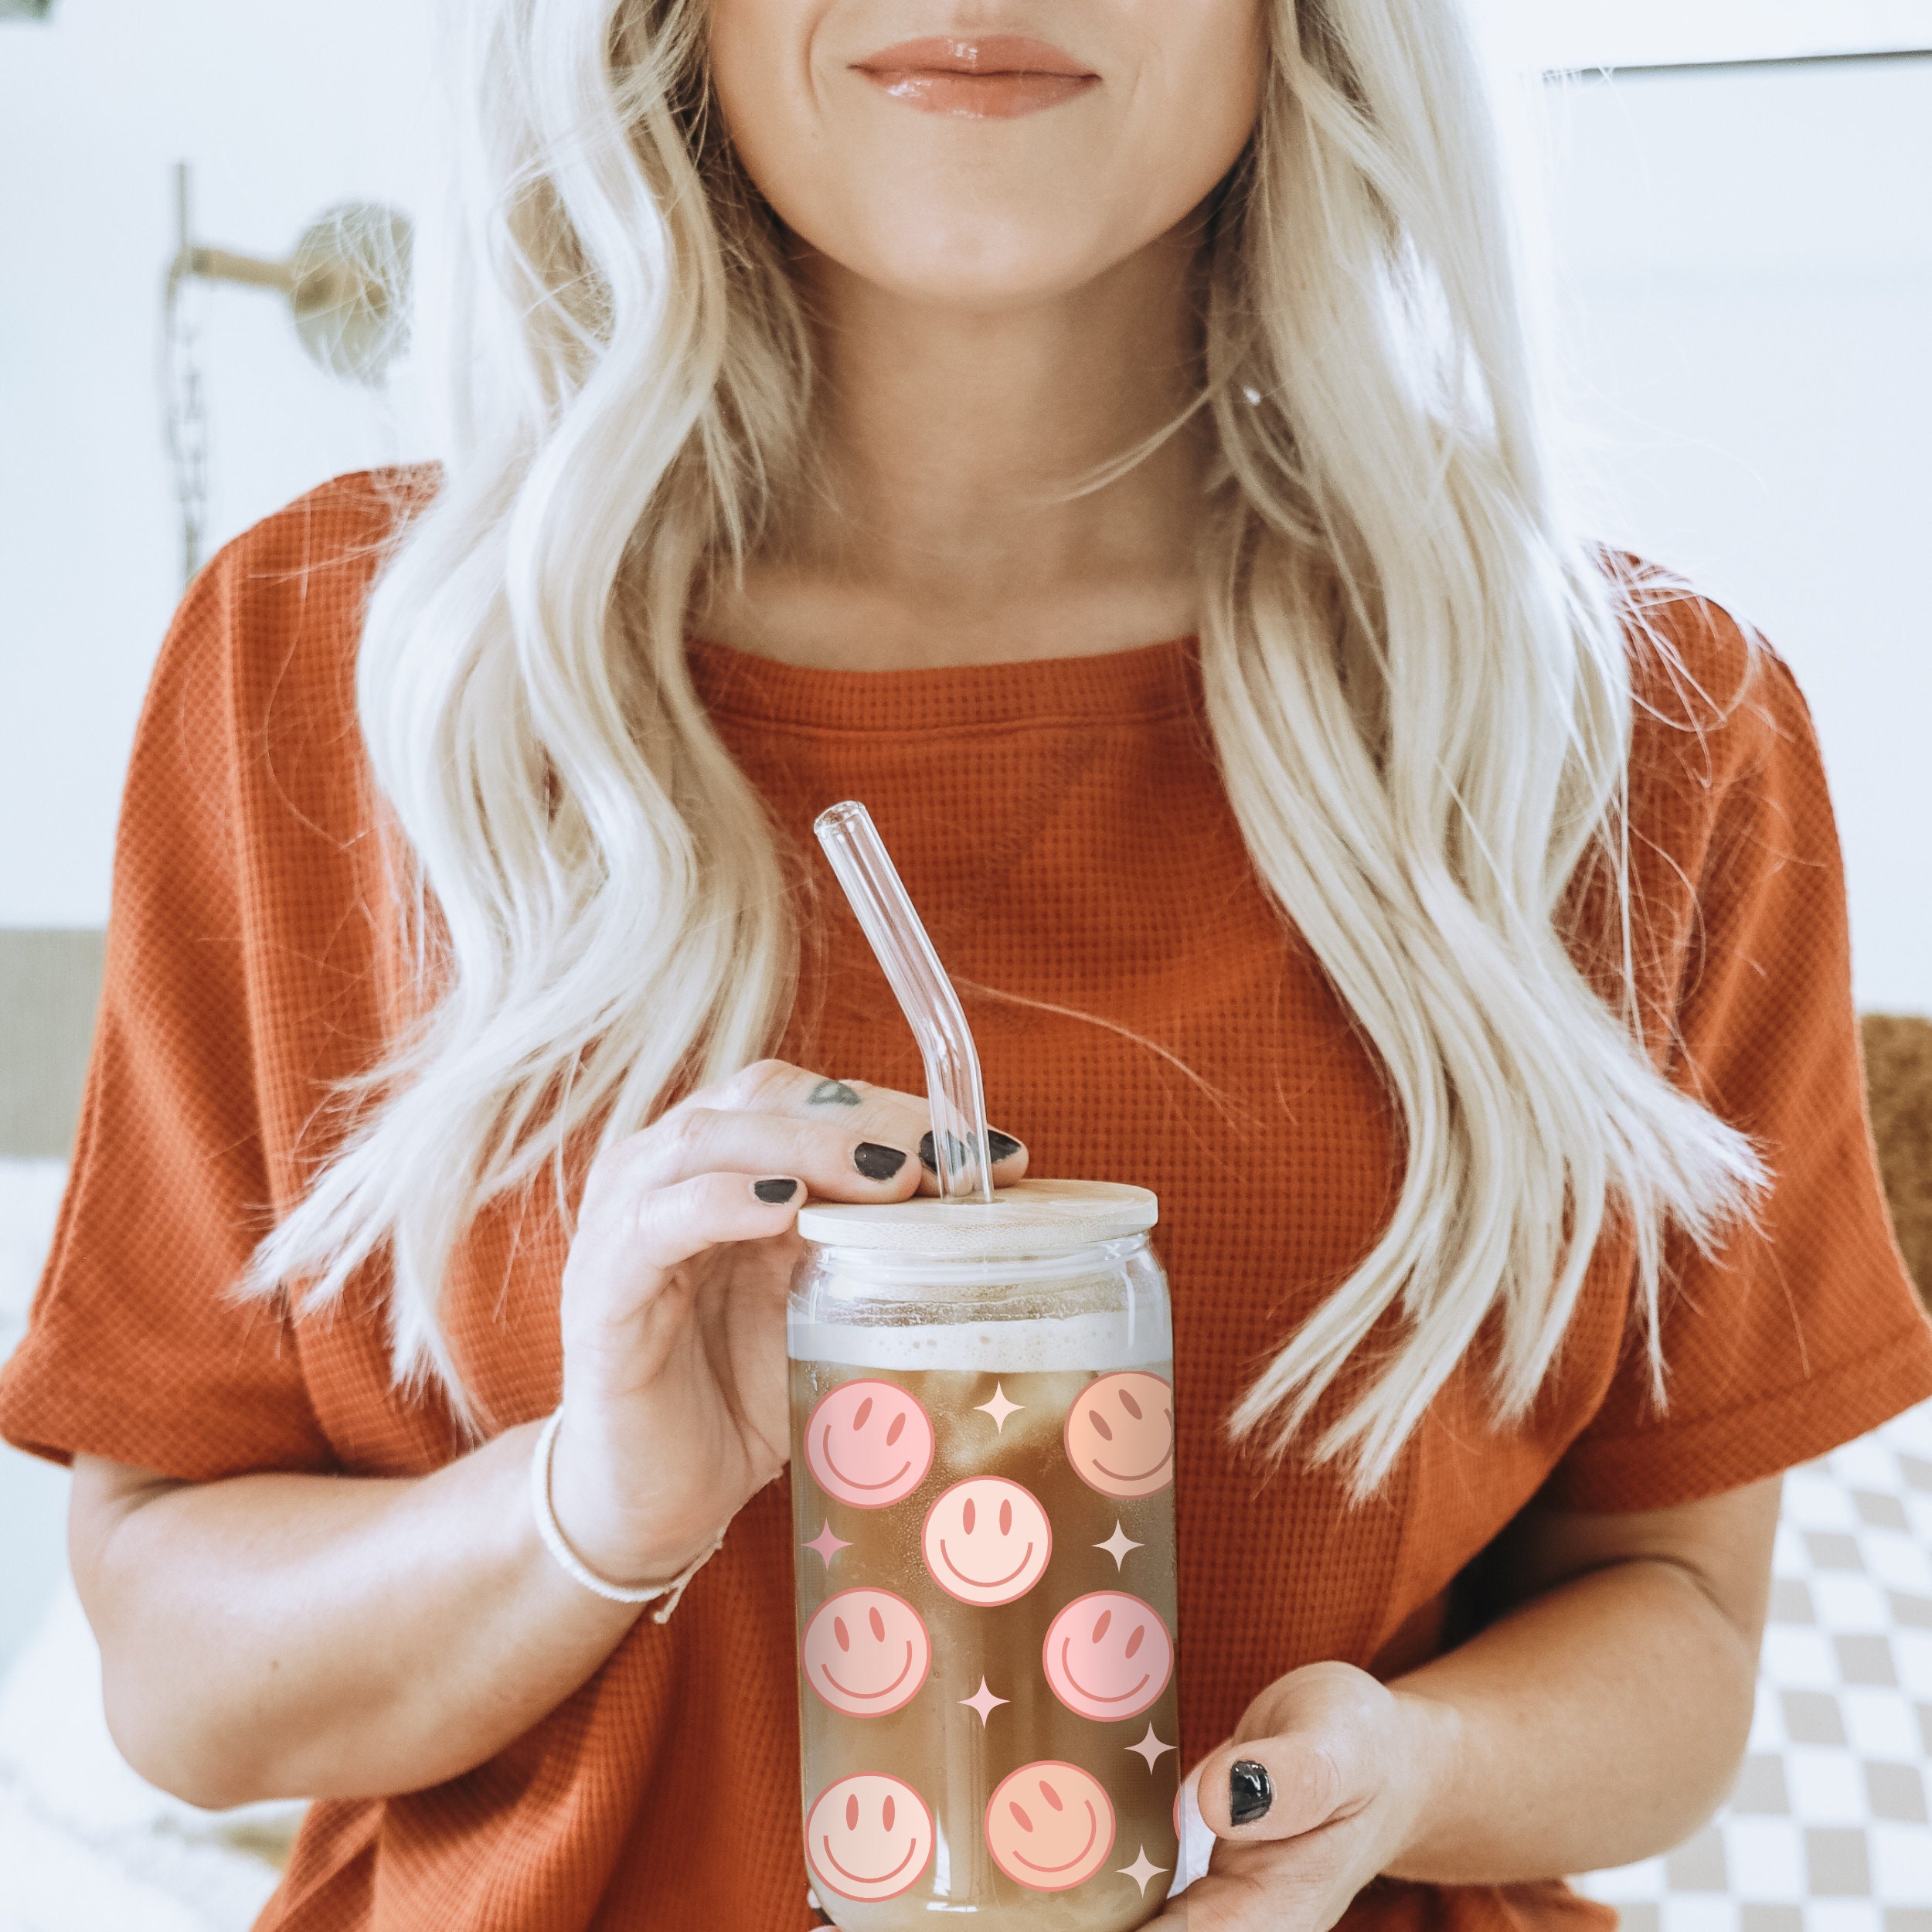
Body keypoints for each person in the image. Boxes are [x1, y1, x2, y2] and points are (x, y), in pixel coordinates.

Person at [4, 2, 1928, 1928]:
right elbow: (176, 1681)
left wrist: (1401, 1773)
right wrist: (589, 1507)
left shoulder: (1631, 733)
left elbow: (1673, 1621)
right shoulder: (338, 670)